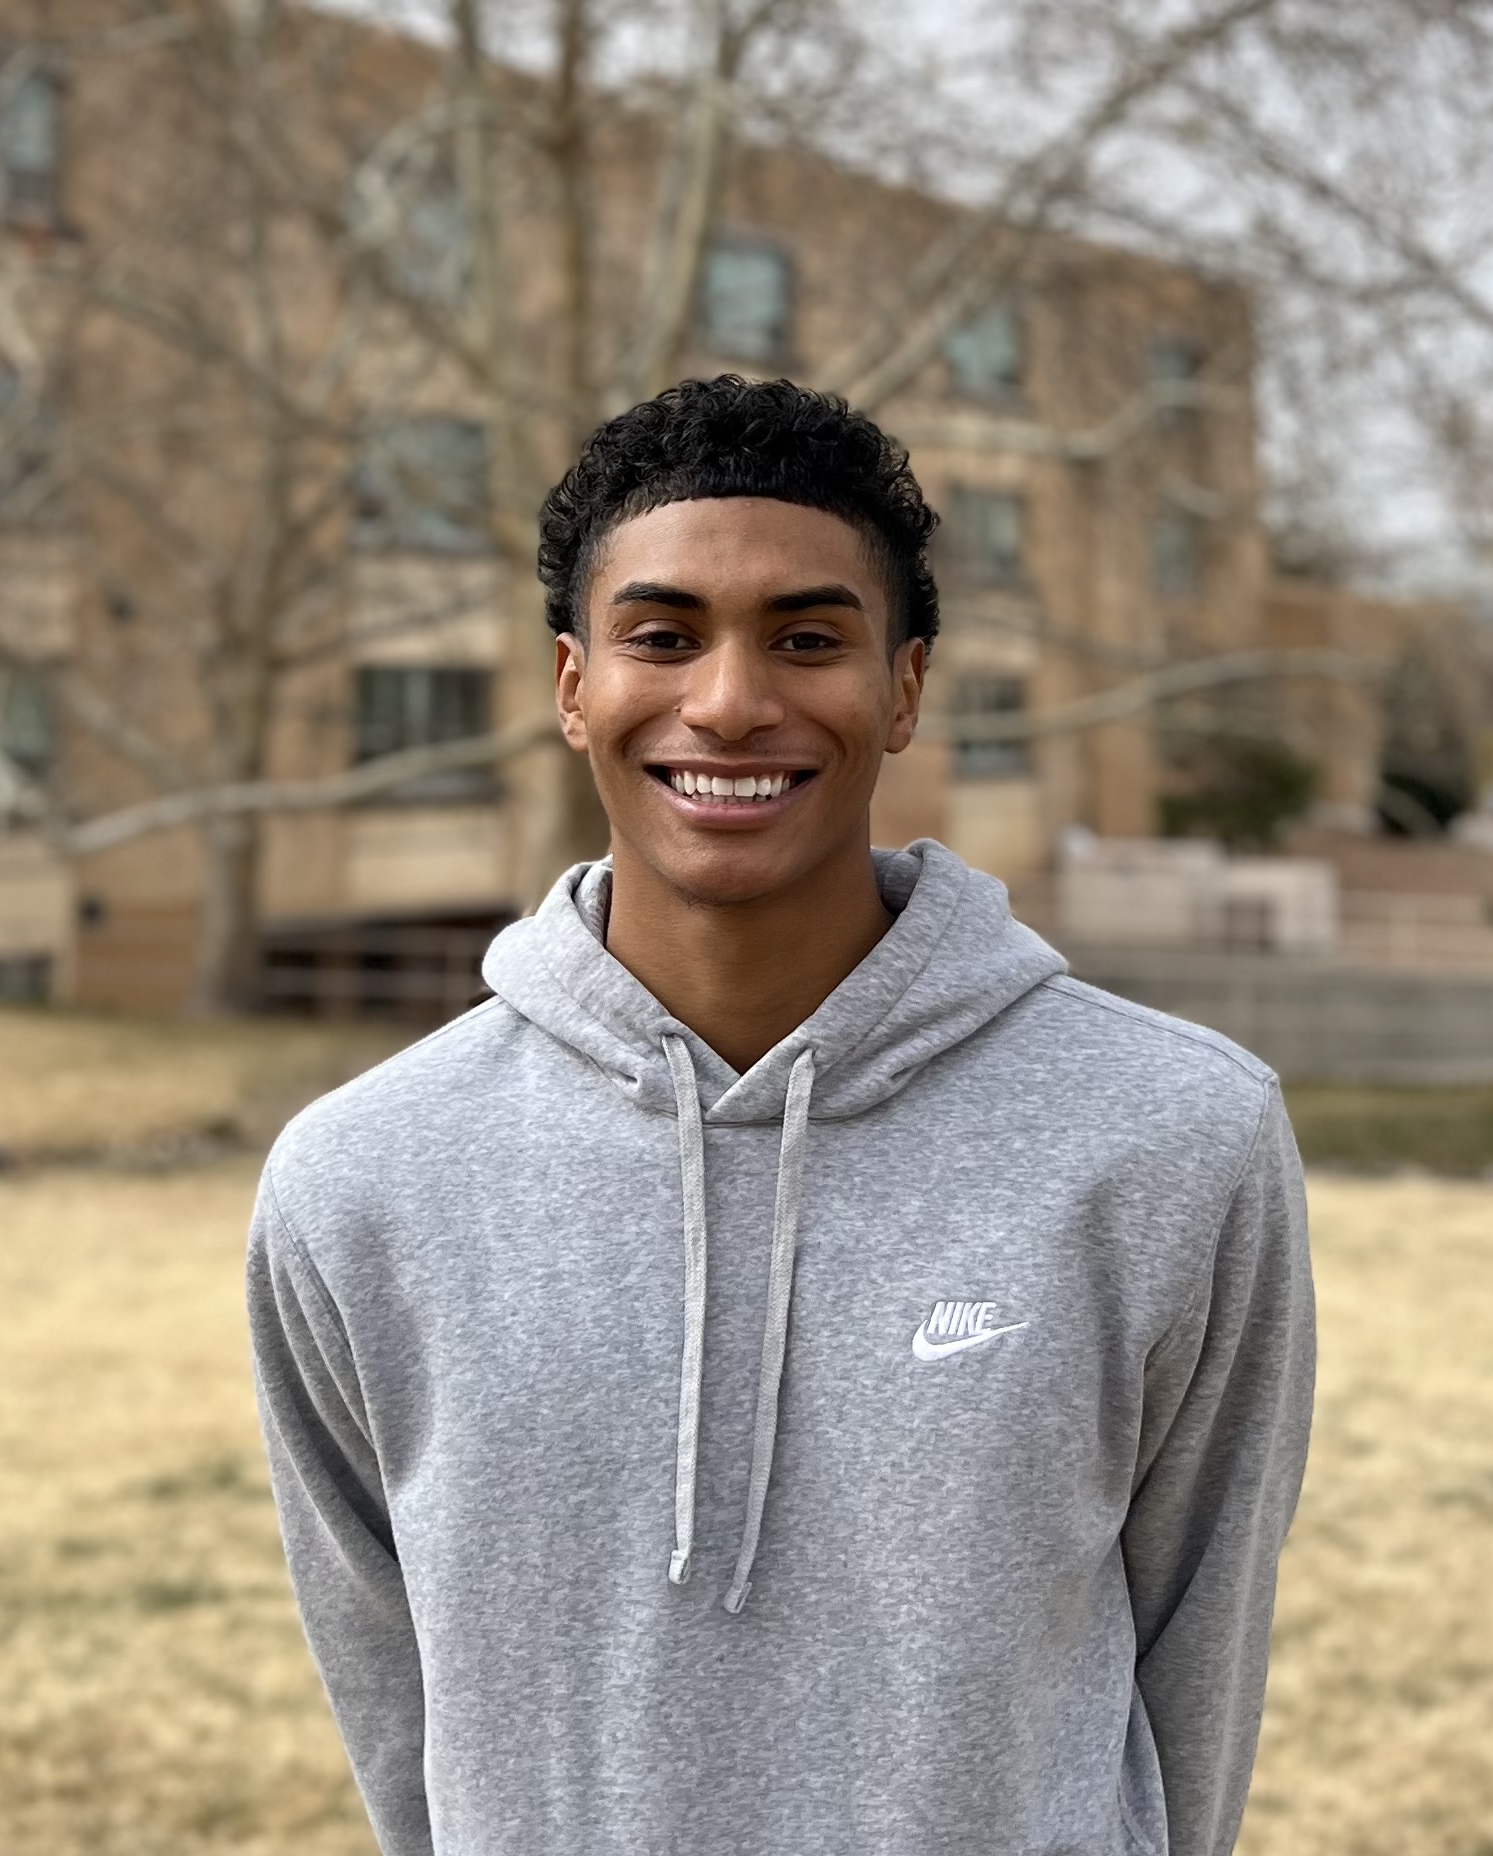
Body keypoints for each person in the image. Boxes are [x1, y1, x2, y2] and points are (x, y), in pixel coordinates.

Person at [245, 374, 1316, 1855]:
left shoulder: (1170, 1136)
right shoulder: (363, 1179)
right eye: (662, 636)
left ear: (903, 688)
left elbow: (1199, 1668)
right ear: (573, 687)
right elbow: (395, 1711)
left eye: (806, 638)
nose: (731, 700)